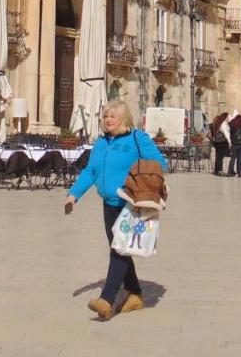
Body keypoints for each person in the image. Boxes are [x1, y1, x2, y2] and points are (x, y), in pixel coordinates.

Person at [64, 100, 167, 321]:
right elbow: (91, 171)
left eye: (113, 116)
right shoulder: (101, 143)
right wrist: (74, 195)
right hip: (108, 204)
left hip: (130, 204)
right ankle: (135, 294)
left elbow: (159, 162)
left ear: (124, 119)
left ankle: (106, 300)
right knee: (120, 247)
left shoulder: (137, 138)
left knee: (119, 249)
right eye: (105, 116)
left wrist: (139, 177)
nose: (108, 120)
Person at [209, 110, 232, 175]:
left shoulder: (218, 123)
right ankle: (219, 170)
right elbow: (226, 134)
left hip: (217, 142)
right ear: (225, 117)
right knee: (220, 157)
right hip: (222, 142)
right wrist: (230, 143)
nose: (228, 118)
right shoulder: (223, 123)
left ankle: (218, 170)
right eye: (228, 117)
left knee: (218, 157)